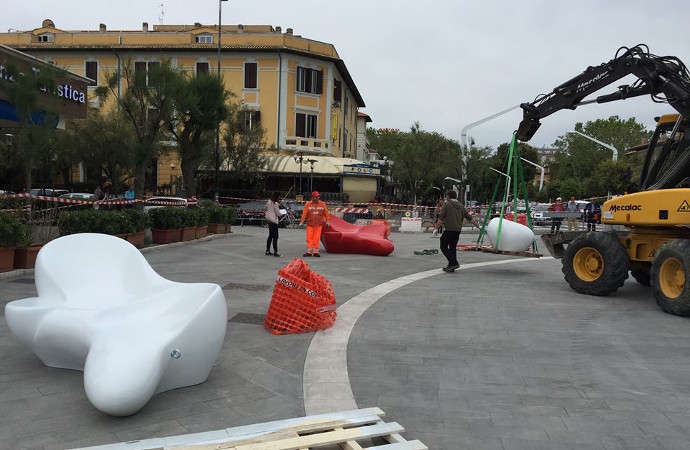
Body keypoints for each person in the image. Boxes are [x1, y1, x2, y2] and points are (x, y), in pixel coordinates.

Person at [435, 189, 481, 273]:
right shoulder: (460, 205)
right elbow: (469, 217)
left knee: (443, 245)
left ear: (448, 196)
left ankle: (454, 262)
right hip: (457, 230)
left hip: (449, 229)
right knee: (452, 247)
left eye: (446, 195)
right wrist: (478, 226)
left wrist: (436, 228)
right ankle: (451, 266)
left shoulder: (447, 204)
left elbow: (441, 217)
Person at [299, 190, 331, 257]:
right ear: (312, 197)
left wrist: (328, 221)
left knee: (316, 238)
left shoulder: (322, 204)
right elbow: (304, 213)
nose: (316, 198)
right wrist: (301, 222)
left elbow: (326, 213)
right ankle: (309, 251)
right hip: (310, 224)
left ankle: (316, 251)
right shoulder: (308, 204)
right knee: (309, 238)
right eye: (315, 197)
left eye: (317, 197)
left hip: (318, 224)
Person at [264, 191, 283, 257]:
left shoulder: (269, 202)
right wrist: (283, 212)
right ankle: (275, 252)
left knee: (270, 236)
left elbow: (265, 207)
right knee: (275, 236)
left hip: (269, 220)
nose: (280, 198)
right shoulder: (275, 204)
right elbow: (278, 214)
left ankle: (267, 250)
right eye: (279, 197)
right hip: (274, 221)